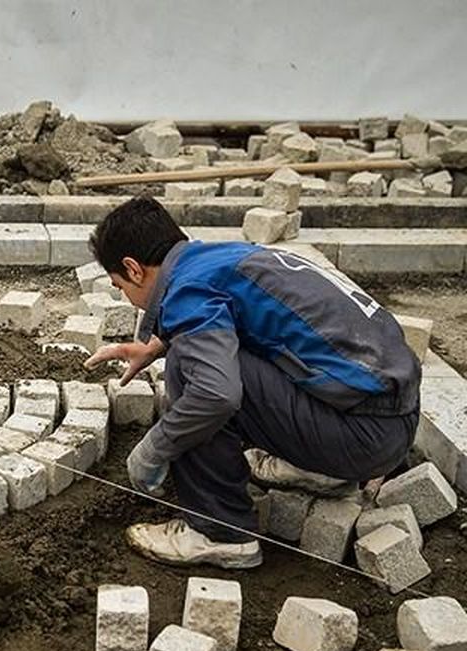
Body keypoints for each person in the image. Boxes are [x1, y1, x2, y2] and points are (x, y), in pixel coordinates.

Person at [84, 196, 421, 569]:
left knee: (192, 370)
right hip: (391, 419)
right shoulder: (222, 257)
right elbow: (245, 316)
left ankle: (220, 532)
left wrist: (153, 448)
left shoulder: (185, 289)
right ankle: (320, 471)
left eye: (119, 285)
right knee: (200, 354)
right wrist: (155, 345)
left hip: (364, 436)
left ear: (133, 269)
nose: (125, 297)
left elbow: (215, 395)